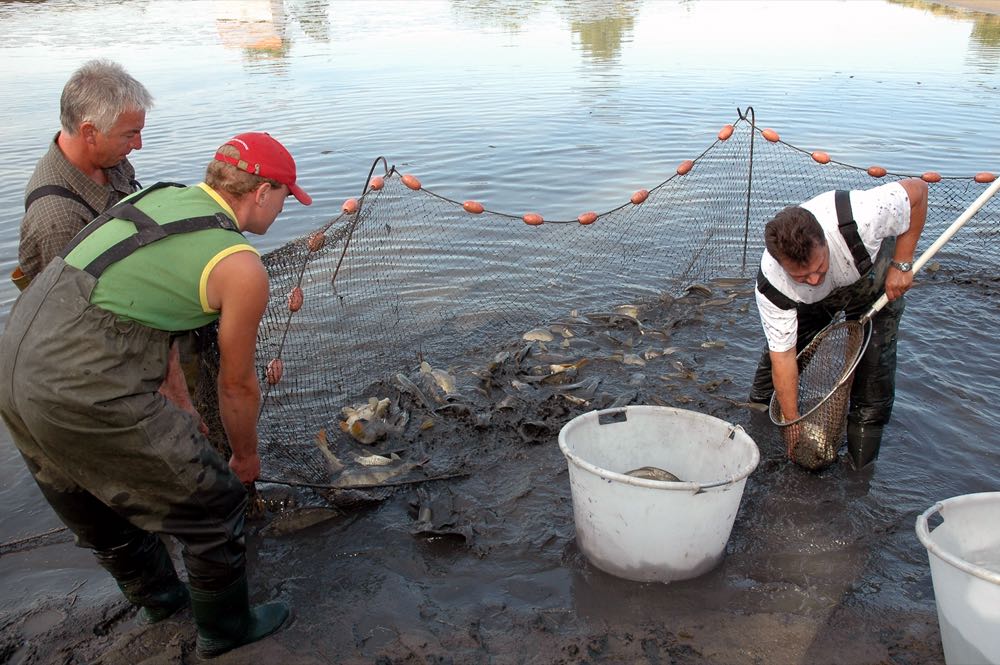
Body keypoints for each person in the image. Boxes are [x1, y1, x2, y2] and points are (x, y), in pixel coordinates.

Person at [0, 132, 311, 658]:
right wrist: (245, 457)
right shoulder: (240, 265)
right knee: (215, 504)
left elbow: (147, 305)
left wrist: (179, 400)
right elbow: (236, 384)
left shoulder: (156, 197)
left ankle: (162, 599)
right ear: (261, 192)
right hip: (82, 384)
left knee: (91, 503)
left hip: (15, 364)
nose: (284, 209)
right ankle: (226, 630)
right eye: (286, 198)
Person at [748, 178, 928, 470]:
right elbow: (783, 358)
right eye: (802, 275)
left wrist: (903, 264)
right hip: (811, 301)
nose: (814, 279)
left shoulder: (862, 216)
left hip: (872, 280)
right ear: (782, 266)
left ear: (824, 238)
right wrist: (792, 424)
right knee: (775, 363)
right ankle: (757, 417)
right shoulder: (774, 285)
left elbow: (918, 192)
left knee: (874, 374)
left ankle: (861, 463)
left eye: (818, 268)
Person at [13, 59, 151, 290]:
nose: (138, 145)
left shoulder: (107, 157)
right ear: (89, 132)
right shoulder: (58, 220)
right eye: (130, 135)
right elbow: (71, 309)